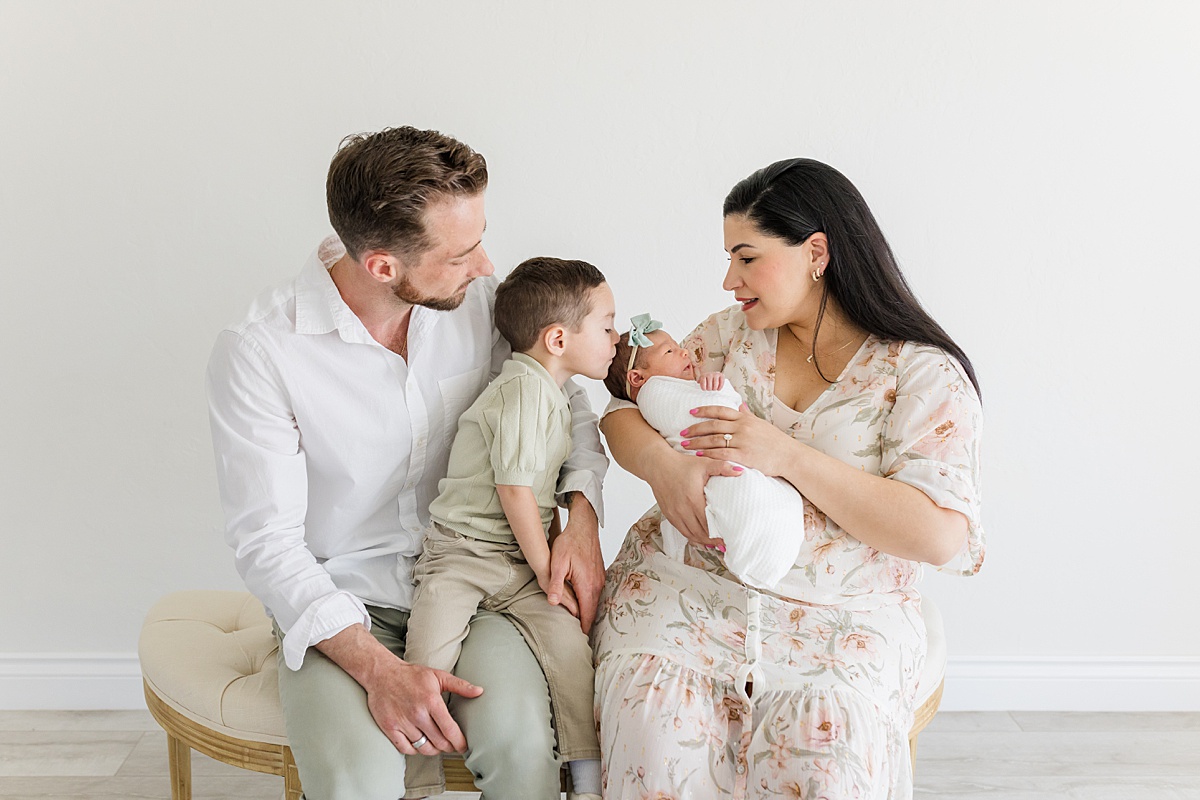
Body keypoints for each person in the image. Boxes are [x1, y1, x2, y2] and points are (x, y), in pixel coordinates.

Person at [205, 127, 608, 800]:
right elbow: (266, 543)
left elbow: (564, 404)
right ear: (384, 267)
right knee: (357, 784)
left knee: (522, 752)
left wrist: (583, 516)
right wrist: (377, 670)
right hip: (342, 601)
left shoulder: (477, 302)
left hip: (478, 581)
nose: (485, 266)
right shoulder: (260, 353)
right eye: (462, 252)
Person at [593, 158, 985, 799]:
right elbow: (624, 410)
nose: (728, 280)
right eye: (728, 259)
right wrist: (663, 468)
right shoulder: (725, 339)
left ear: (817, 253)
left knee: (825, 748)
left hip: (840, 609)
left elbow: (938, 535)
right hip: (690, 586)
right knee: (655, 721)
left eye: (746, 259)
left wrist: (786, 455)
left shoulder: (919, 374)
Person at [404, 256, 617, 799]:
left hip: (518, 559)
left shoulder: (555, 391)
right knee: (427, 661)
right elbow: (516, 491)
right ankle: (419, 784)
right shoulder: (522, 390)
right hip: (463, 553)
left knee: (571, 652)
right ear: (558, 338)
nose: (616, 337)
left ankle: (587, 781)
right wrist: (548, 569)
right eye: (607, 325)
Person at [603, 314, 808, 591]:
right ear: (638, 378)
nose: (684, 351)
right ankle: (750, 550)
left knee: (774, 501)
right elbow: (617, 414)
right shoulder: (658, 392)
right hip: (709, 476)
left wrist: (717, 386)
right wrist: (663, 464)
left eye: (677, 347)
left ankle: (757, 553)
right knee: (743, 495)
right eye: (670, 351)